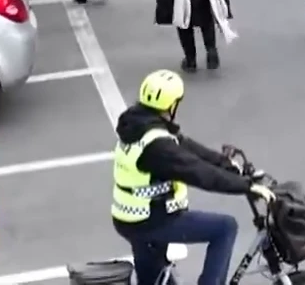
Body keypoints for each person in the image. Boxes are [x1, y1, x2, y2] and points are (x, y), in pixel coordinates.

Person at [111, 70, 271, 285]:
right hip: (150, 220)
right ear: (171, 105)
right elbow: (198, 172)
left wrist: (230, 166)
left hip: (130, 218)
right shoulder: (157, 146)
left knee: (153, 280)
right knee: (225, 227)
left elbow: (193, 151)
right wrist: (245, 187)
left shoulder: (141, 127)